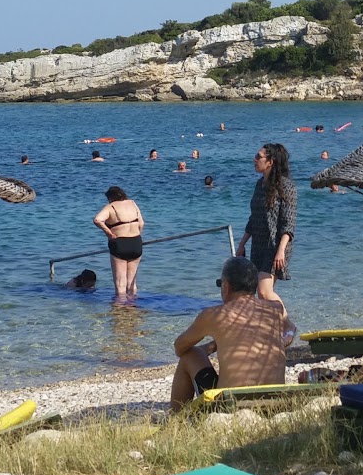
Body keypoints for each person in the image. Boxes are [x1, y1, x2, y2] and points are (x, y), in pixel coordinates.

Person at [170, 257, 287, 410]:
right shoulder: (275, 309)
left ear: (226, 287)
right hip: (273, 402)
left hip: (231, 406)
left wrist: (208, 348)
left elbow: (179, 347)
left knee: (190, 355)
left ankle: (176, 420)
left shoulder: (215, 314)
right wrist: (219, 343)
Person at [237, 143, 296, 308]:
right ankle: (271, 328)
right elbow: (254, 218)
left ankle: (286, 326)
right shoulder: (259, 184)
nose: (254, 159)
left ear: (270, 162)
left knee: (264, 291)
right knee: (261, 291)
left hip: (277, 244)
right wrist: (242, 244)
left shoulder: (286, 186)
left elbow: (288, 223)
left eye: (258, 157)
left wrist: (281, 251)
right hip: (258, 243)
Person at [92, 185, 145, 298]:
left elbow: (97, 220)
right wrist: (136, 234)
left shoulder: (111, 207)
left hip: (120, 243)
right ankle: (132, 307)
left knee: (120, 283)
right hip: (136, 242)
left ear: (110, 198)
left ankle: (120, 311)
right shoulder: (133, 203)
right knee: (132, 283)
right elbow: (141, 224)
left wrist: (108, 232)